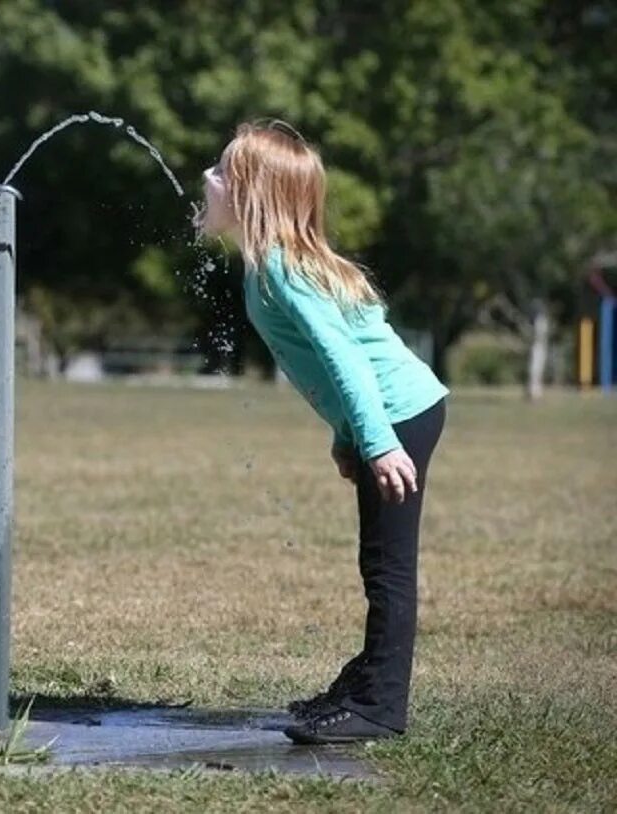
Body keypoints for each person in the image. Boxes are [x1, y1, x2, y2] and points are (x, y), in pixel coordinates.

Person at [195, 121, 448, 745]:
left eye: (223, 173)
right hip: (386, 418)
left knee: (388, 567)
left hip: (398, 417)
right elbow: (342, 356)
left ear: (252, 196)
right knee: (378, 563)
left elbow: (346, 359)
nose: (208, 178)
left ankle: (380, 708)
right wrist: (349, 436)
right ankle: (362, 687)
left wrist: (379, 441)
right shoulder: (270, 264)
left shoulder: (280, 267)